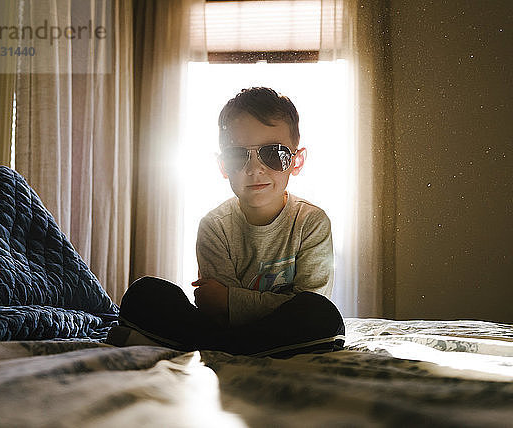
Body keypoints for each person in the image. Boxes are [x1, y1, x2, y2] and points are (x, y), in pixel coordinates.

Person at [107, 87, 345, 358]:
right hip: (255, 335)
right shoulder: (215, 226)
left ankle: (213, 346)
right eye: (237, 155)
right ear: (223, 166)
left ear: (296, 161)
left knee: (323, 317)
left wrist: (230, 299)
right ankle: (237, 347)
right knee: (144, 294)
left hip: (279, 328)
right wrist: (231, 306)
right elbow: (217, 312)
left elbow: (309, 302)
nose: (255, 169)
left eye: (273, 153)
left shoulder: (311, 222)